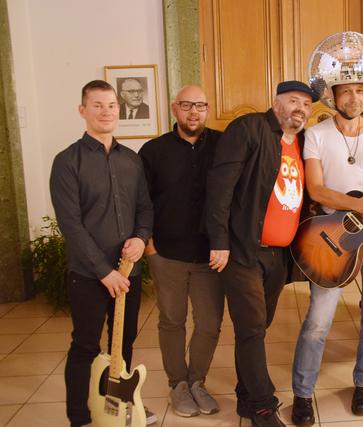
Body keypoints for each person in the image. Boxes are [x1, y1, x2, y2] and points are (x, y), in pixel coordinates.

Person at [290, 80, 363, 425]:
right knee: (317, 320)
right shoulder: (317, 134)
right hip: (332, 234)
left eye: (360, 91)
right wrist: (359, 203)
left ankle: (362, 384)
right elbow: (316, 189)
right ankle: (302, 392)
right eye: (346, 92)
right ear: (333, 97)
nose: (354, 98)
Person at [206, 80, 318, 427]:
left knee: (258, 327)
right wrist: (219, 241)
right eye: (293, 100)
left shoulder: (302, 142)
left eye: (306, 104)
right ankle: (262, 407)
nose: (300, 108)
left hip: (278, 255)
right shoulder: (249, 128)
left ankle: (244, 395)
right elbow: (220, 188)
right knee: (252, 328)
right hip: (242, 250)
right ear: (276, 102)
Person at [50, 80, 155, 427]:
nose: (106, 111)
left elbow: (144, 208)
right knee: (85, 346)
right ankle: (79, 416)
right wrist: (103, 271)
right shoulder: (67, 162)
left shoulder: (132, 160)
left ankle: (117, 407)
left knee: (122, 346)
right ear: (83, 111)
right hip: (89, 275)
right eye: (97, 105)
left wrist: (141, 239)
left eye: (111, 105)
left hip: (129, 273)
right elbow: (71, 224)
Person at [138, 85, 224, 417]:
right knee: (172, 321)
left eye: (200, 106)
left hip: (210, 255)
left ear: (207, 109)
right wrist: (148, 246)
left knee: (210, 323)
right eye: (187, 105)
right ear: (175, 108)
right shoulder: (153, 150)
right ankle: (178, 384)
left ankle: (197, 381)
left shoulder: (222, 145)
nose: (194, 112)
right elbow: (141, 201)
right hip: (167, 253)